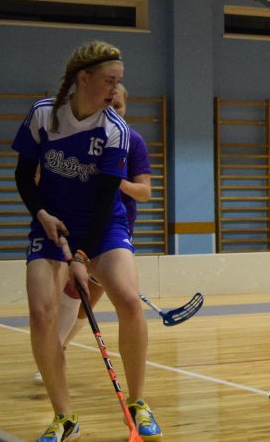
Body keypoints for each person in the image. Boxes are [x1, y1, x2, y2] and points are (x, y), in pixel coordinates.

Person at [13, 41, 160, 442]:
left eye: (118, 82)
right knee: (41, 313)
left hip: (103, 226)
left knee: (128, 301)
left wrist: (81, 256)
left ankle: (138, 403)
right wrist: (41, 214)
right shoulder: (44, 114)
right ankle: (64, 417)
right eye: (110, 81)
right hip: (51, 225)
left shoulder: (116, 130)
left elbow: (105, 198)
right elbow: (24, 176)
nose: (115, 90)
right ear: (84, 78)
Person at [36, 83, 153, 385]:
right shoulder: (72, 134)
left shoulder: (132, 140)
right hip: (72, 225)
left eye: (119, 106)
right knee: (70, 293)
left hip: (113, 229)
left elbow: (145, 192)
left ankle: (61, 349)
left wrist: (117, 182)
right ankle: (54, 354)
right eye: (108, 104)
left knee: (91, 296)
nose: (113, 110)